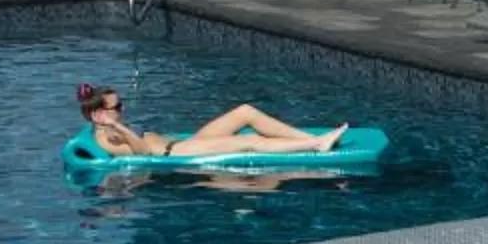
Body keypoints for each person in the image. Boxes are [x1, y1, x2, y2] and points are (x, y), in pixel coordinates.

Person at [76, 83, 346, 158]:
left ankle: (310, 139)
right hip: (175, 153)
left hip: (184, 143)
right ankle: (315, 146)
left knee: (245, 111)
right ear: (99, 113)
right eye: (117, 107)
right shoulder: (106, 137)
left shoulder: (105, 129)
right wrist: (117, 125)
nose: (122, 109)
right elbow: (143, 152)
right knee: (248, 141)